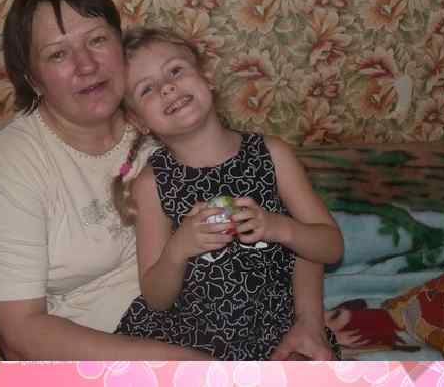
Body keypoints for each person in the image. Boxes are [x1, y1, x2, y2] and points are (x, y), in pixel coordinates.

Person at [0, 0, 336, 360]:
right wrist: (194, 368)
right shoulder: (18, 161)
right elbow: (18, 335)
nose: (86, 65)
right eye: (58, 54)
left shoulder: (169, 119)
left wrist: (307, 321)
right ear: (34, 80)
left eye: (97, 40)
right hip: (114, 348)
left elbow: (284, 214)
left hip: (232, 324)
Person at [112, 27, 344, 360]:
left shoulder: (272, 154)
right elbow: (156, 298)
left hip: (272, 330)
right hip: (186, 335)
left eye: (175, 70)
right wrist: (178, 249)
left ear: (206, 78)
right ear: (138, 121)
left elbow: (332, 247)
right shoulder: (151, 184)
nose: (167, 87)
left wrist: (279, 227)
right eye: (147, 88)